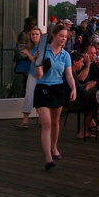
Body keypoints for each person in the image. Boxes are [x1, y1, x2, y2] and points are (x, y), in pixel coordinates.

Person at [34, 24, 76, 170]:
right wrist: (37, 63)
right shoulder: (43, 51)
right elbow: (39, 76)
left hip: (58, 89)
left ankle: (54, 147)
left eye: (65, 36)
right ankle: (48, 158)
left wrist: (74, 88)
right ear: (54, 36)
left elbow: (69, 75)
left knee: (55, 122)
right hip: (43, 88)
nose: (64, 39)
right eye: (61, 36)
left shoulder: (66, 55)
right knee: (46, 124)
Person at [65, 52, 97, 139]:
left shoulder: (70, 72)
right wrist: (88, 86)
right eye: (81, 62)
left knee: (94, 98)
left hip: (69, 99)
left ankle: (87, 128)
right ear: (75, 62)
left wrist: (85, 84)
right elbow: (81, 93)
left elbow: (76, 87)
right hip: (71, 102)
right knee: (94, 104)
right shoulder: (71, 73)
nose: (82, 64)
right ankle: (84, 130)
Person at [15, 26, 42, 128]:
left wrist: (27, 53)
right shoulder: (32, 46)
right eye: (33, 34)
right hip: (32, 73)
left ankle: (42, 119)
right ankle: (25, 121)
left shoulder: (42, 47)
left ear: (40, 36)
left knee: (40, 96)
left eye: (37, 34)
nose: (34, 36)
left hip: (41, 75)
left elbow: (36, 62)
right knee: (29, 95)